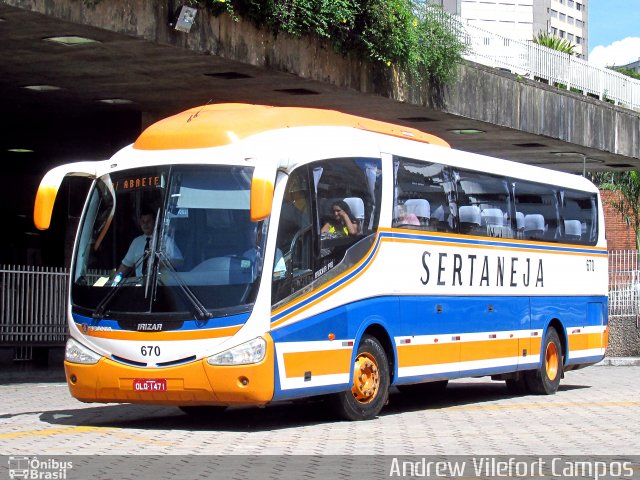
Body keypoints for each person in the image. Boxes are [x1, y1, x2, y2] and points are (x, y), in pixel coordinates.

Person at [115, 207, 182, 279]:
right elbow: (125, 266)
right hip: (140, 286)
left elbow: (179, 261)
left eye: (148, 221)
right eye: (143, 222)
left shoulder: (166, 240)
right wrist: (114, 282)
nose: (145, 224)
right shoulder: (136, 242)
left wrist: (160, 263)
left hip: (160, 286)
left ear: (155, 222)